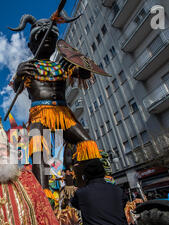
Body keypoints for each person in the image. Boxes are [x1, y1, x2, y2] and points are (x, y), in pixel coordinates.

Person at [9, 13, 107, 190]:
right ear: (31, 45)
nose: (45, 41)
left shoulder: (63, 65)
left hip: (64, 114)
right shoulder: (27, 67)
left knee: (87, 143)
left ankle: (93, 187)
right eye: (39, 37)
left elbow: (85, 73)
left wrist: (77, 59)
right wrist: (19, 73)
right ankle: (44, 196)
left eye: (50, 37)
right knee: (38, 148)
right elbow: (16, 88)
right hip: (39, 114)